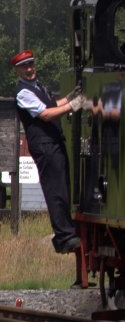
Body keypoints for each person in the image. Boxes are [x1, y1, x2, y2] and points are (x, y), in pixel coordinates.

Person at [11, 49, 85, 254]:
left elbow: (53, 104)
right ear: (17, 70)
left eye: (31, 64)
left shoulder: (37, 87)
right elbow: (46, 114)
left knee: (62, 186)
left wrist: (71, 97)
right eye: (24, 66)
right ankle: (64, 236)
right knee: (55, 189)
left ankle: (67, 231)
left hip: (52, 142)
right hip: (44, 145)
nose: (29, 69)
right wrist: (73, 105)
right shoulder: (23, 93)